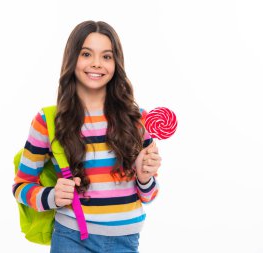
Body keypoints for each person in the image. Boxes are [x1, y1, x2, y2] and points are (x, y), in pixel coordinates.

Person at [13, 20, 162, 253]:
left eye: (106, 56)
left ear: (116, 63)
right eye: (86, 54)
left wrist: (144, 177)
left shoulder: (137, 120)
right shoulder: (48, 121)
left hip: (126, 241)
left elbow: (149, 195)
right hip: (71, 240)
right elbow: (21, 187)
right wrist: (52, 196)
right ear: (72, 59)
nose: (96, 64)